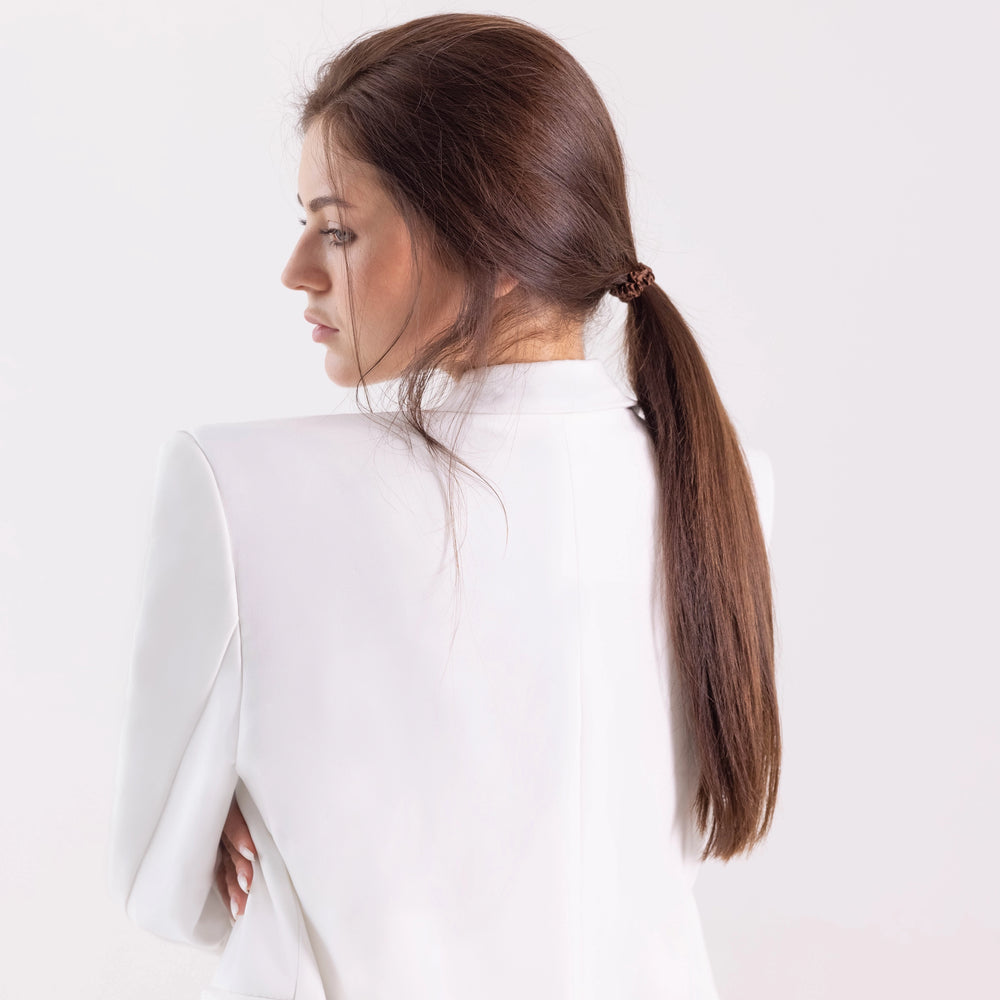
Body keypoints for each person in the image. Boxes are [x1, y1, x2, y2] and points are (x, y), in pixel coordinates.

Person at [108, 12, 780, 999]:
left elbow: (160, 886)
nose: (296, 268)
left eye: (336, 227)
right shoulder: (721, 483)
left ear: (494, 245)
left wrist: (235, 842)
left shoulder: (233, 486)